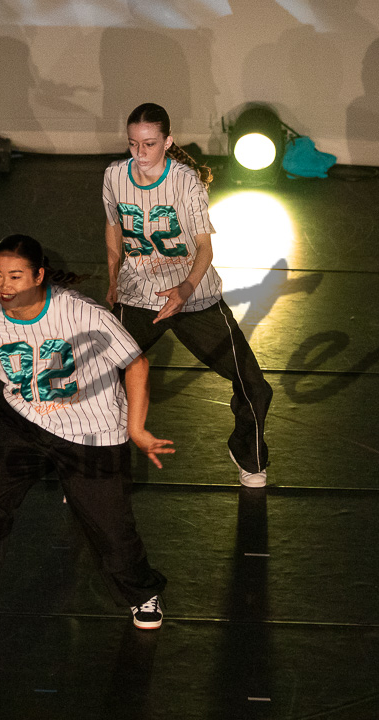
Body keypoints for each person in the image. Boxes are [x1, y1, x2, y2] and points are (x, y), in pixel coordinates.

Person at [0, 234, 172, 630]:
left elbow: (137, 363)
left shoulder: (81, 313)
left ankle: (141, 592)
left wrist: (137, 429)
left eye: (15, 276)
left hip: (92, 432)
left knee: (111, 530)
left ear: (39, 275)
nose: (4, 286)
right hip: (25, 423)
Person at [103, 102, 273, 487]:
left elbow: (204, 248)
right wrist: (113, 277)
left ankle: (248, 454)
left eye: (149, 144)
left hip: (194, 298)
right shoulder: (114, 176)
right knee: (99, 377)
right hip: (138, 296)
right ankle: (94, 469)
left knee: (254, 386)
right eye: (133, 144)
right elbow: (113, 226)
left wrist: (185, 289)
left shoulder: (186, 182)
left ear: (167, 142)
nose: (140, 153)